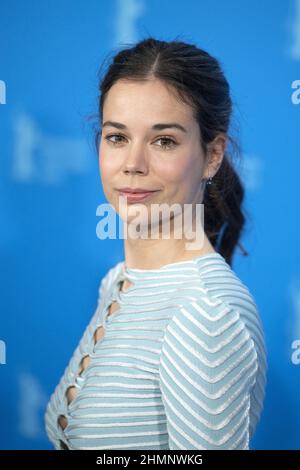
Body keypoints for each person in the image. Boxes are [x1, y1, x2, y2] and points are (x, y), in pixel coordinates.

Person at [44, 37, 267, 450]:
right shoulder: (118, 281)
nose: (133, 164)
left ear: (213, 154)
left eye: (163, 140)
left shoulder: (207, 311)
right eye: (117, 137)